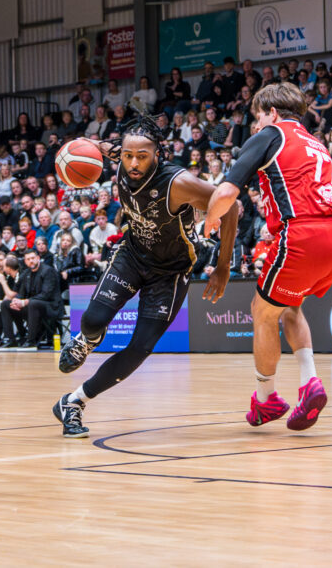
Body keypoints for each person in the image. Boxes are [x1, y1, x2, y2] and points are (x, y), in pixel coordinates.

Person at [53, 116, 239, 438]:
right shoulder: (120, 155)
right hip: (133, 254)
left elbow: (231, 207)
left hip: (170, 272)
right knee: (93, 320)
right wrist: (76, 153)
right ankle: (87, 340)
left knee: (140, 347)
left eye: (142, 156)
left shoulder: (177, 182)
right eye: (127, 156)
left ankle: (74, 401)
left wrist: (223, 266)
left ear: (158, 154)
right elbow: (93, 147)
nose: (134, 163)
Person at [204, 82, 332, 432]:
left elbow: (227, 191)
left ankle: (266, 398)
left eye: (257, 118)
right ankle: (310, 382)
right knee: (290, 306)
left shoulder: (271, 133)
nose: (255, 126)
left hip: (305, 235)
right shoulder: (314, 141)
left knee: (261, 310)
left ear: (271, 113)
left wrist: (209, 222)